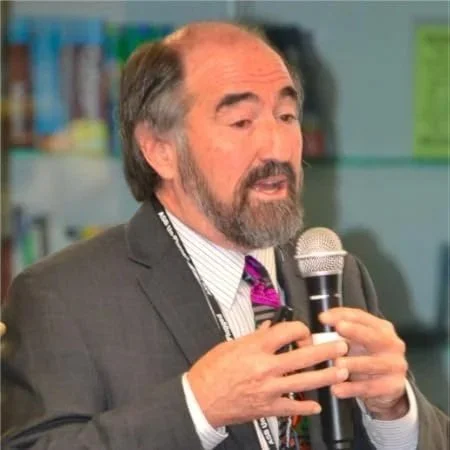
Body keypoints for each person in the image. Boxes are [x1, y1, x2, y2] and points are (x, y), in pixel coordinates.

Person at [1, 21, 448, 450]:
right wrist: (198, 408)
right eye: (241, 122)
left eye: (287, 116)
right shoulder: (63, 297)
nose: (278, 148)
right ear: (159, 149)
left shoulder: (335, 277)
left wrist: (395, 413)